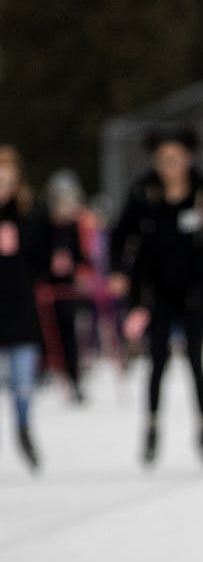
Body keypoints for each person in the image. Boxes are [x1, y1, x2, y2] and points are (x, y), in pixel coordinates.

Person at [108, 126, 203, 465]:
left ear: (187, 158)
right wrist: (118, 272)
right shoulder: (143, 192)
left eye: (175, 158)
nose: (169, 165)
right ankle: (152, 427)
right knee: (157, 362)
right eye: (163, 159)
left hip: (196, 290)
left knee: (196, 360)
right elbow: (120, 235)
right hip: (154, 291)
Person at [0, 145, 43, 471]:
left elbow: (41, 258)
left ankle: (24, 427)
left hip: (21, 309)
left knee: (23, 381)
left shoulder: (28, 213)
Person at [35, 169, 92, 403]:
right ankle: (43, 370)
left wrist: (82, 271)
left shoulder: (72, 226)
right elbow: (34, 255)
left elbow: (80, 255)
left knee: (69, 332)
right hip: (45, 289)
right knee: (42, 332)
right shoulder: (41, 223)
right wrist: (41, 280)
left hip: (66, 290)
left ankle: (74, 379)